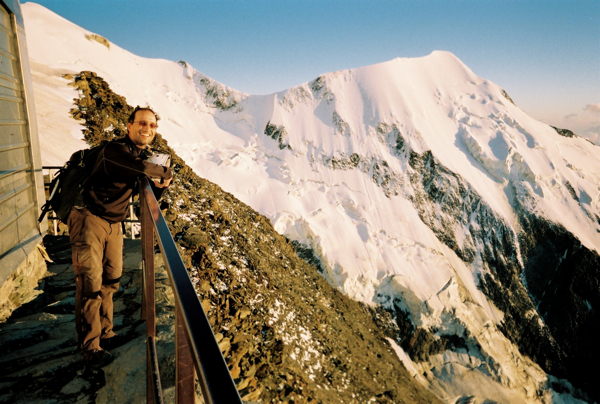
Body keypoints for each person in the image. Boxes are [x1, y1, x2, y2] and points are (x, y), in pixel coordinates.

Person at [67, 106, 173, 366]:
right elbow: (143, 169)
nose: (147, 129)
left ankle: (106, 332)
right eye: (142, 123)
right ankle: (90, 346)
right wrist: (166, 173)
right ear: (129, 125)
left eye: (152, 125)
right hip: (88, 218)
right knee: (90, 283)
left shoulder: (140, 154)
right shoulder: (115, 151)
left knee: (111, 280)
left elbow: (143, 185)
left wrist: (159, 184)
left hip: (114, 222)